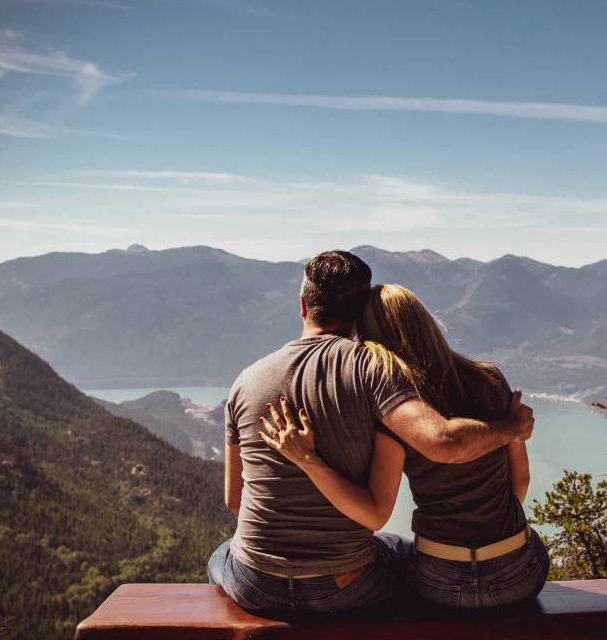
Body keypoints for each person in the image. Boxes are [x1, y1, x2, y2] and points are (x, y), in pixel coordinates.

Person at [208, 251, 535, 619]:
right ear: (359, 313)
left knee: (221, 555)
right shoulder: (374, 372)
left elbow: (235, 500)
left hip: (256, 583)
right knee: (395, 550)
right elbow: (438, 448)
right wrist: (513, 427)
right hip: (346, 586)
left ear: (303, 305)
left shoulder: (244, 381)